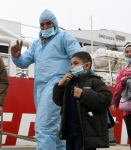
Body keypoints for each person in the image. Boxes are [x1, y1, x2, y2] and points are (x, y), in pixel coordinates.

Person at [11, 9, 82, 150]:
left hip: (57, 84)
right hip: (40, 89)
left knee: (43, 126)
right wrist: (16, 56)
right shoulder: (37, 44)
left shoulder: (64, 38)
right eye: (42, 24)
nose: (45, 27)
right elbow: (24, 62)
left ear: (55, 24)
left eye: (48, 23)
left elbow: (80, 57)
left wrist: (89, 78)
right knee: (56, 129)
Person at [53, 51, 112, 150]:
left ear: (87, 65)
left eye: (76, 63)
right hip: (70, 131)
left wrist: (83, 94)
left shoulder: (94, 81)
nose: (72, 67)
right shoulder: (69, 83)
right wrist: (60, 86)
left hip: (86, 133)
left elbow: (106, 99)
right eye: (71, 64)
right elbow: (58, 101)